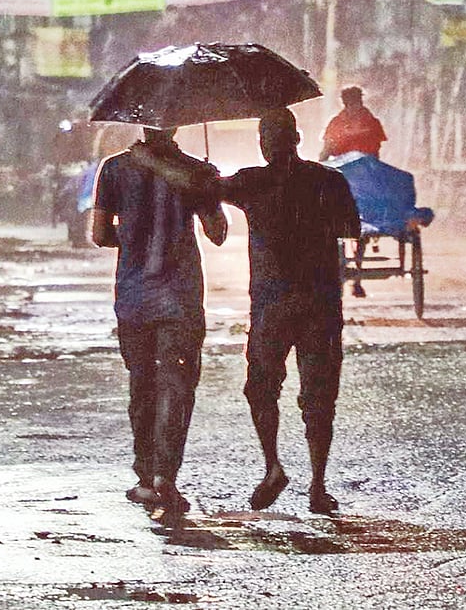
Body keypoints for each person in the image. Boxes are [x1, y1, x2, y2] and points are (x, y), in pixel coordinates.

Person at [132, 108, 361, 514]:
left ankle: (273, 465)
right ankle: (318, 485)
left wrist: (154, 161)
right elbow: (350, 229)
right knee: (319, 396)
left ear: (264, 144)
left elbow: (198, 188)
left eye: (266, 138)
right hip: (321, 303)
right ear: (297, 139)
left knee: (261, 388)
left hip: (271, 305)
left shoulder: (251, 182)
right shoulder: (329, 181)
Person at [90, 126, 227, 514]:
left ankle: (146, 477)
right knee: (177, 386)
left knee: (142, 385)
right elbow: (217, 233)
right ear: (176, 125)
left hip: (134, 298)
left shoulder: (114, 169)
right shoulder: (196, 171)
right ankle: (166, 475)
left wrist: (135, 235)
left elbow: (100, 234)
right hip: (181, 299)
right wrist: (207, 187)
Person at [318, 85, 388, 161]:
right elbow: (327, 149)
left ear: (361, 102)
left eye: (357, 103)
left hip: (366, 164)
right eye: (351, 104)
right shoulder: (336, 123)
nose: (355, 107)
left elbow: (376, 151)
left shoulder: (373, 123)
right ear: (345, 105)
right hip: (342, 165)